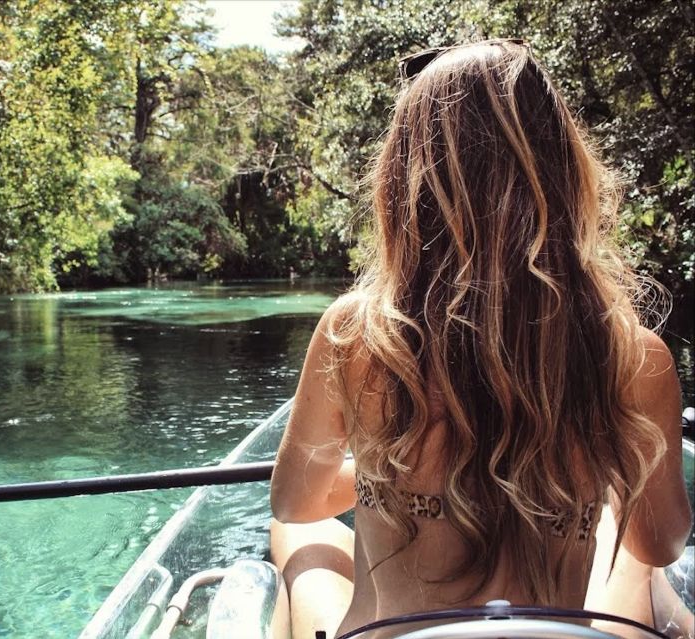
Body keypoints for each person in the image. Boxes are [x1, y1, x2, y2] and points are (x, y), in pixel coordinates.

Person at [269, 39, 692, 639]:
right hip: (557, 633)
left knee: (299, 533)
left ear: (405, 180)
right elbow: (663, 542)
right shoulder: (634, 354)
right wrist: (600, 478)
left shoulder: (356, 333)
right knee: (626, 545)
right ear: (565, 174)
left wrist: (384, 472)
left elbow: (293, 501)